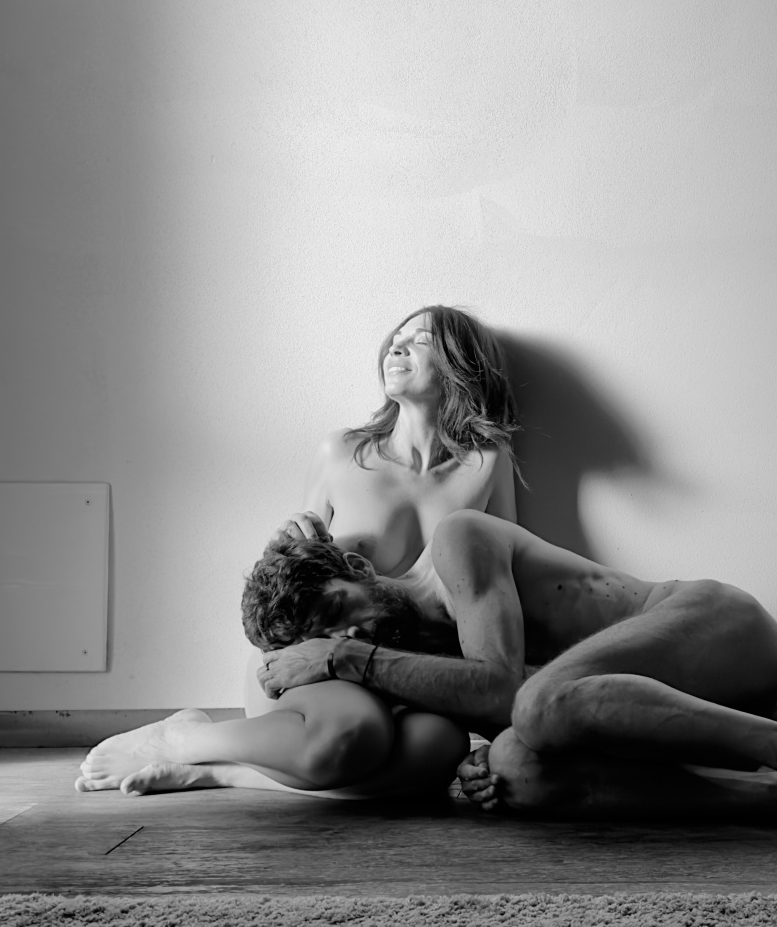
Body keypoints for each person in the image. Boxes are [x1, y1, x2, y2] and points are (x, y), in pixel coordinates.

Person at [91, 515, 777, 850]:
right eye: (330, 636)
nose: (349, 637)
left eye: (338, 611)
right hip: (675, 713)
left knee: (532, 706)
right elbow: (498, 718)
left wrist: (350, 662)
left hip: (719, 630)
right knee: (513, 770)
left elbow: (507, 686)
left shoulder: (455, 547)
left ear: (355, 566)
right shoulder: (406, 655)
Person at [76, 306, 517, 799]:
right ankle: (182, 737)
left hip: (406, 666)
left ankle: (222, 772)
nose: (397, 346)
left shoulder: (488, 463)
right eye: (397, 337)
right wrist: (285, 539)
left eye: (421, 340)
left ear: (462, 361)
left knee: (439, 749)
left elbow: (503, 584)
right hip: (311, 656)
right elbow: (288, 569)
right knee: (354, 732)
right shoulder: (342, 452)